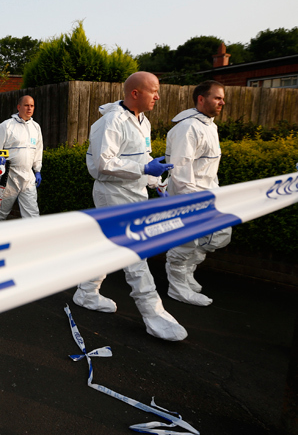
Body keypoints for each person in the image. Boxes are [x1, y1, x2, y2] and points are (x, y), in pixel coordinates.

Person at [73, 71, 188, 342]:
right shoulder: (110, 122)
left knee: (109, 246)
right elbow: (102, 164)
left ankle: (87, 291)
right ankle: (153, 313)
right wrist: (142, 167)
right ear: (135, 93)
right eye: (154, 91)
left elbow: (143, 159)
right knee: (136, 252)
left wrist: (156, 182)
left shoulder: (142, 121)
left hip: (134, 193)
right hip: (112, 194)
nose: (158, 96)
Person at [165, 80, 231, 306]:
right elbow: (181, 170)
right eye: (217, 98)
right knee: (185, 242)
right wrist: (190, 203)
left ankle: (187, 273)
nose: (222, 102)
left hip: (209, 194)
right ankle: (177, 287)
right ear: (201, 99)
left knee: (219, 235)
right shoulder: (188, 128)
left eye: (222, 98)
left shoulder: (210, 126)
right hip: (190, 197)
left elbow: (208, 168)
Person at [0, 95, 43, 220]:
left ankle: (32, 240)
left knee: (32, 215)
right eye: (26, 105)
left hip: (27, 178)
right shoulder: (6, 126)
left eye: (32, 106)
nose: (29, 108)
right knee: (0, 214)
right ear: (19, 107)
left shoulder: (35, 127)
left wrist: (37, 170)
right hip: (8, 177)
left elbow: (38, 150)